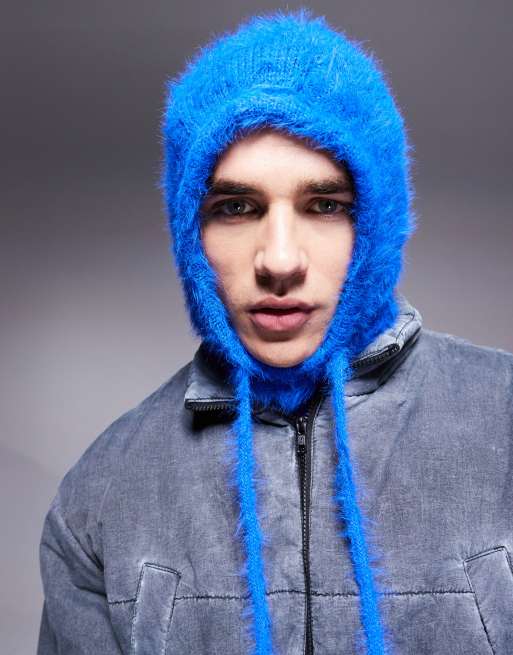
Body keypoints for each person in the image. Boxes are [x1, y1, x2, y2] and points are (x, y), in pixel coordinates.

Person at [37, 8, 513, 655]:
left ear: (380, 219)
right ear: (189, 230)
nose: (280, 260)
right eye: (236, 207)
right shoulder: (101, 494)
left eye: (325, 205)